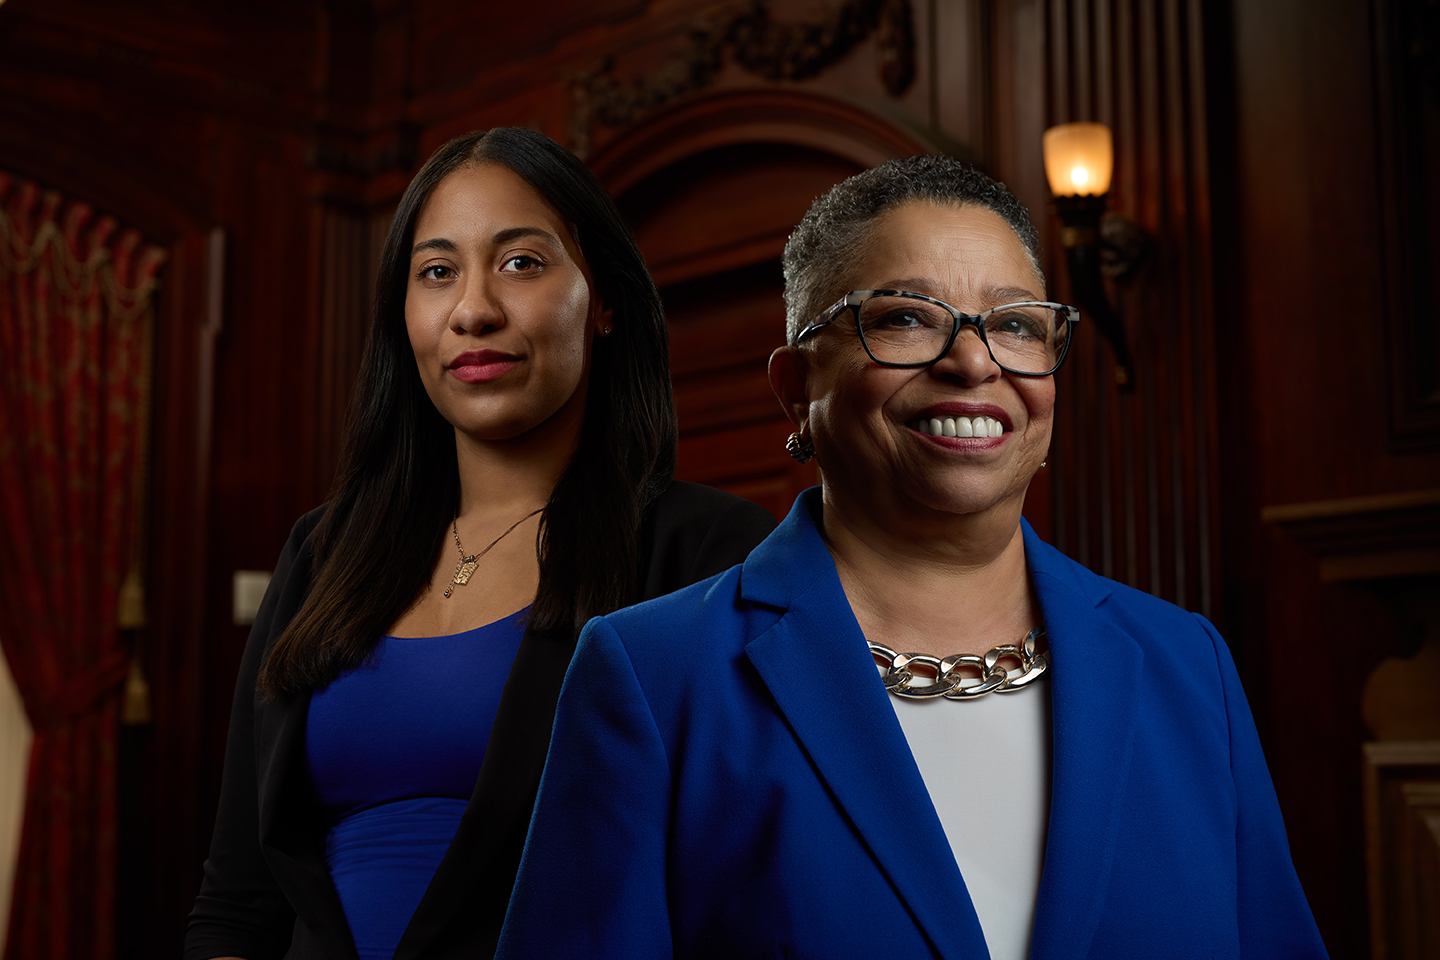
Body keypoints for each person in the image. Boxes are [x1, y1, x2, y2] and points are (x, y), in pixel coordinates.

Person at [496, 155, 1328, 959]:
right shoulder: (651, 675)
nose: (972, 361)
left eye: (1013, 325)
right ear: (797, 389)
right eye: (903, 318)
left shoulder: (1189, 666)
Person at [184, 127, 776, 960]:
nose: (472, 309)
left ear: (603, 299)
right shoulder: (321, 553)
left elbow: (748, 895)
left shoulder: (713, 556)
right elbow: (237, 901)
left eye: (521, 263)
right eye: (437, 272)